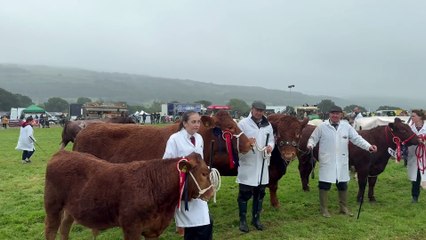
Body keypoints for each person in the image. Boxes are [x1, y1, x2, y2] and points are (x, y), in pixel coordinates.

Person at [307, 106, 377, 218]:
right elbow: (313, 138)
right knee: (324, 184)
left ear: (341, 115)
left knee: (343, 184)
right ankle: (324, 209)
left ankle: (343, 207)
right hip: (327, 160)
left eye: (337, 114)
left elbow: (357, 138)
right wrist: (310, 145)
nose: (335, 115)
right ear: (329, 114)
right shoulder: (322, 127)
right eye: (332, 113)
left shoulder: (346, 126)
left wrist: (368, 146)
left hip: (342, 160)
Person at [163, 111, 213, 240]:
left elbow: (200, 161)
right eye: (193, 122)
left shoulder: (199, 138)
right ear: (185, 123)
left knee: (204, 221)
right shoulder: (175, 139)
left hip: (198, 187)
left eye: (198, 122)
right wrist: (185, 167)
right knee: (196, 225)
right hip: (184, 188)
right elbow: (166, 163)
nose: (197, 125)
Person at [236, 101, 274, 232]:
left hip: (262, 162)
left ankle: (256, 219)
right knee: (244, 193)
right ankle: (242, 221)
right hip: (248, 162)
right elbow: (237, 142)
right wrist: (247, 144)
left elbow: (271, 140)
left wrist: (270, 147)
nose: (259, 113)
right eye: (257, 110)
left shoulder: (267, 125)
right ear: (252, 109)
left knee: (260, 193)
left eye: (261, 110)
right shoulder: (243, 124)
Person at [406, 109, 426, 203]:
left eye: (413, 116)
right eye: (411, 116)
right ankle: (415, 197)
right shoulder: (410, 128)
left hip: (424, 155)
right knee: (416, 177)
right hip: (414, 155)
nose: (412, 117)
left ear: (420, 117)